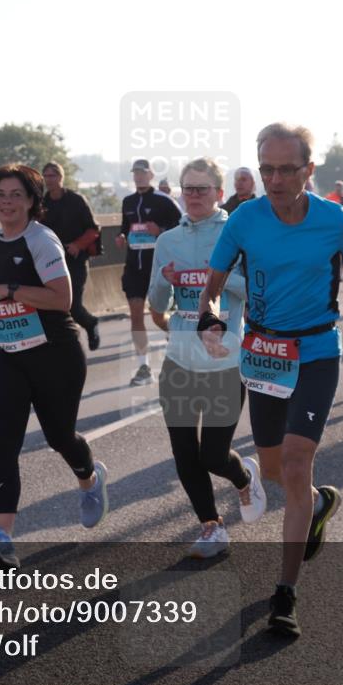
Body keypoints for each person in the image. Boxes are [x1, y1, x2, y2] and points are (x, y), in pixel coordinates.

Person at [197, 123, 343, 637]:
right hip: (263, 354)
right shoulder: (245, 220)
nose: (274, 179)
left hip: (315, 351)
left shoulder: (333, 219)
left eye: (286, 170)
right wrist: (210, 321)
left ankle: (285, 593)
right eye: (266, 169)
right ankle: (317, 502)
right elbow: (211, 288)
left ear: (308, 170)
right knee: (275, 469)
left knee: (296, 463)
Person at [0, 164, 108, 570]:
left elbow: (62, 299)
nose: (6, 202)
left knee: (59, 436)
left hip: (54, 353)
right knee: (3, 441)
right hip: (5, 352)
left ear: (32, 201)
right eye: (0, 195)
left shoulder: (41, 240)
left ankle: (90, 478)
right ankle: (2, 537)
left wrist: (9, 290)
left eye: (16, 195)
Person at [147, 157, 267, 558]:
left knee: (213, 455)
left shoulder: (239, 235)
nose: (194, 195)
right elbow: (157, 303)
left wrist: (218, 278)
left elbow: (258, 292)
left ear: (219, 192)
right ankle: (211, 527)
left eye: (202, 188)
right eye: (188, 188)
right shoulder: (168, 240)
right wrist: (165, 281)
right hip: (180, 359)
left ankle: (243, 477)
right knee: (184, 450)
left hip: (226, 358)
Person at [116, 159, 183, 385]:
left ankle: (173, 333)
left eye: (142, 173)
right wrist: (121, 237)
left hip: (158, 268)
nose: (138, 176)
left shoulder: (163, 201)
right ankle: (143, 367)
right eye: (135, 173)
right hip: (134, 266)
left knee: (157, 315)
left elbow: (184, 226)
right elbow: (126, 228)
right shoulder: (128, 201)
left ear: (151, 175)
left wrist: (161, 230)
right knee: (136, 314)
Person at [40, 162, 101, 351]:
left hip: (75, 260)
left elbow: (94, 229)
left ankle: (90, 323)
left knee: (72, 306)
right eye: (46, 176)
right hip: (50, 261)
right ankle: (62, 344)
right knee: (51, 305)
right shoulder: (42, 203)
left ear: (61, 177)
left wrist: (77, 245)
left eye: (52, 176)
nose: (49, 180)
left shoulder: (76, 200)